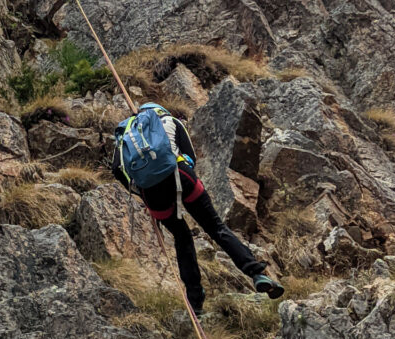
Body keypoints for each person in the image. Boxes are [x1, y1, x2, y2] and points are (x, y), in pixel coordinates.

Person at [112, 102, 283, 314]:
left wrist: (144, 192)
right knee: (215, 226)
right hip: (181, 174)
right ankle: (257, 274)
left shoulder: (127, 134)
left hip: (152, 193)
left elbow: (118, 170)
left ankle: (195, 299)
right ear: (159, 112)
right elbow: (189, 155)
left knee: (182, 238)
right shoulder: (170, 121)